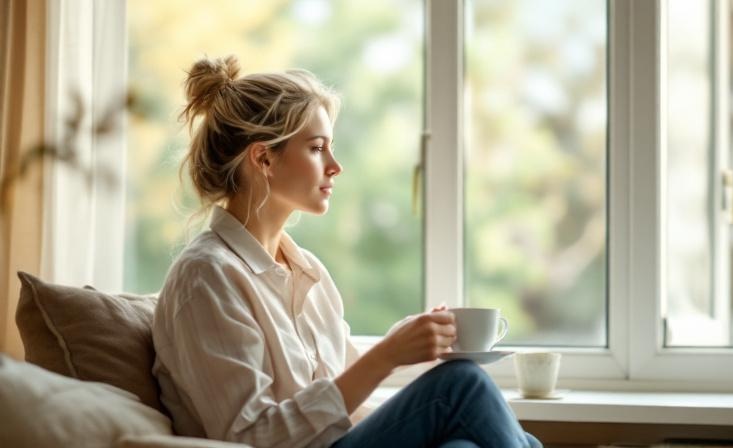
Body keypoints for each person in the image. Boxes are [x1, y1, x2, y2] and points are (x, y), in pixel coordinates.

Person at [151, 55, 542, 448]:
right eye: (318, 148)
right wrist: (386, 356)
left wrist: (401, 345)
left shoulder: (309, 273)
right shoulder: (206, 276)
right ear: (264, 158)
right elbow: (252, 436)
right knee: (461, 385)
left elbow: (344, 401)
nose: (335, 166)